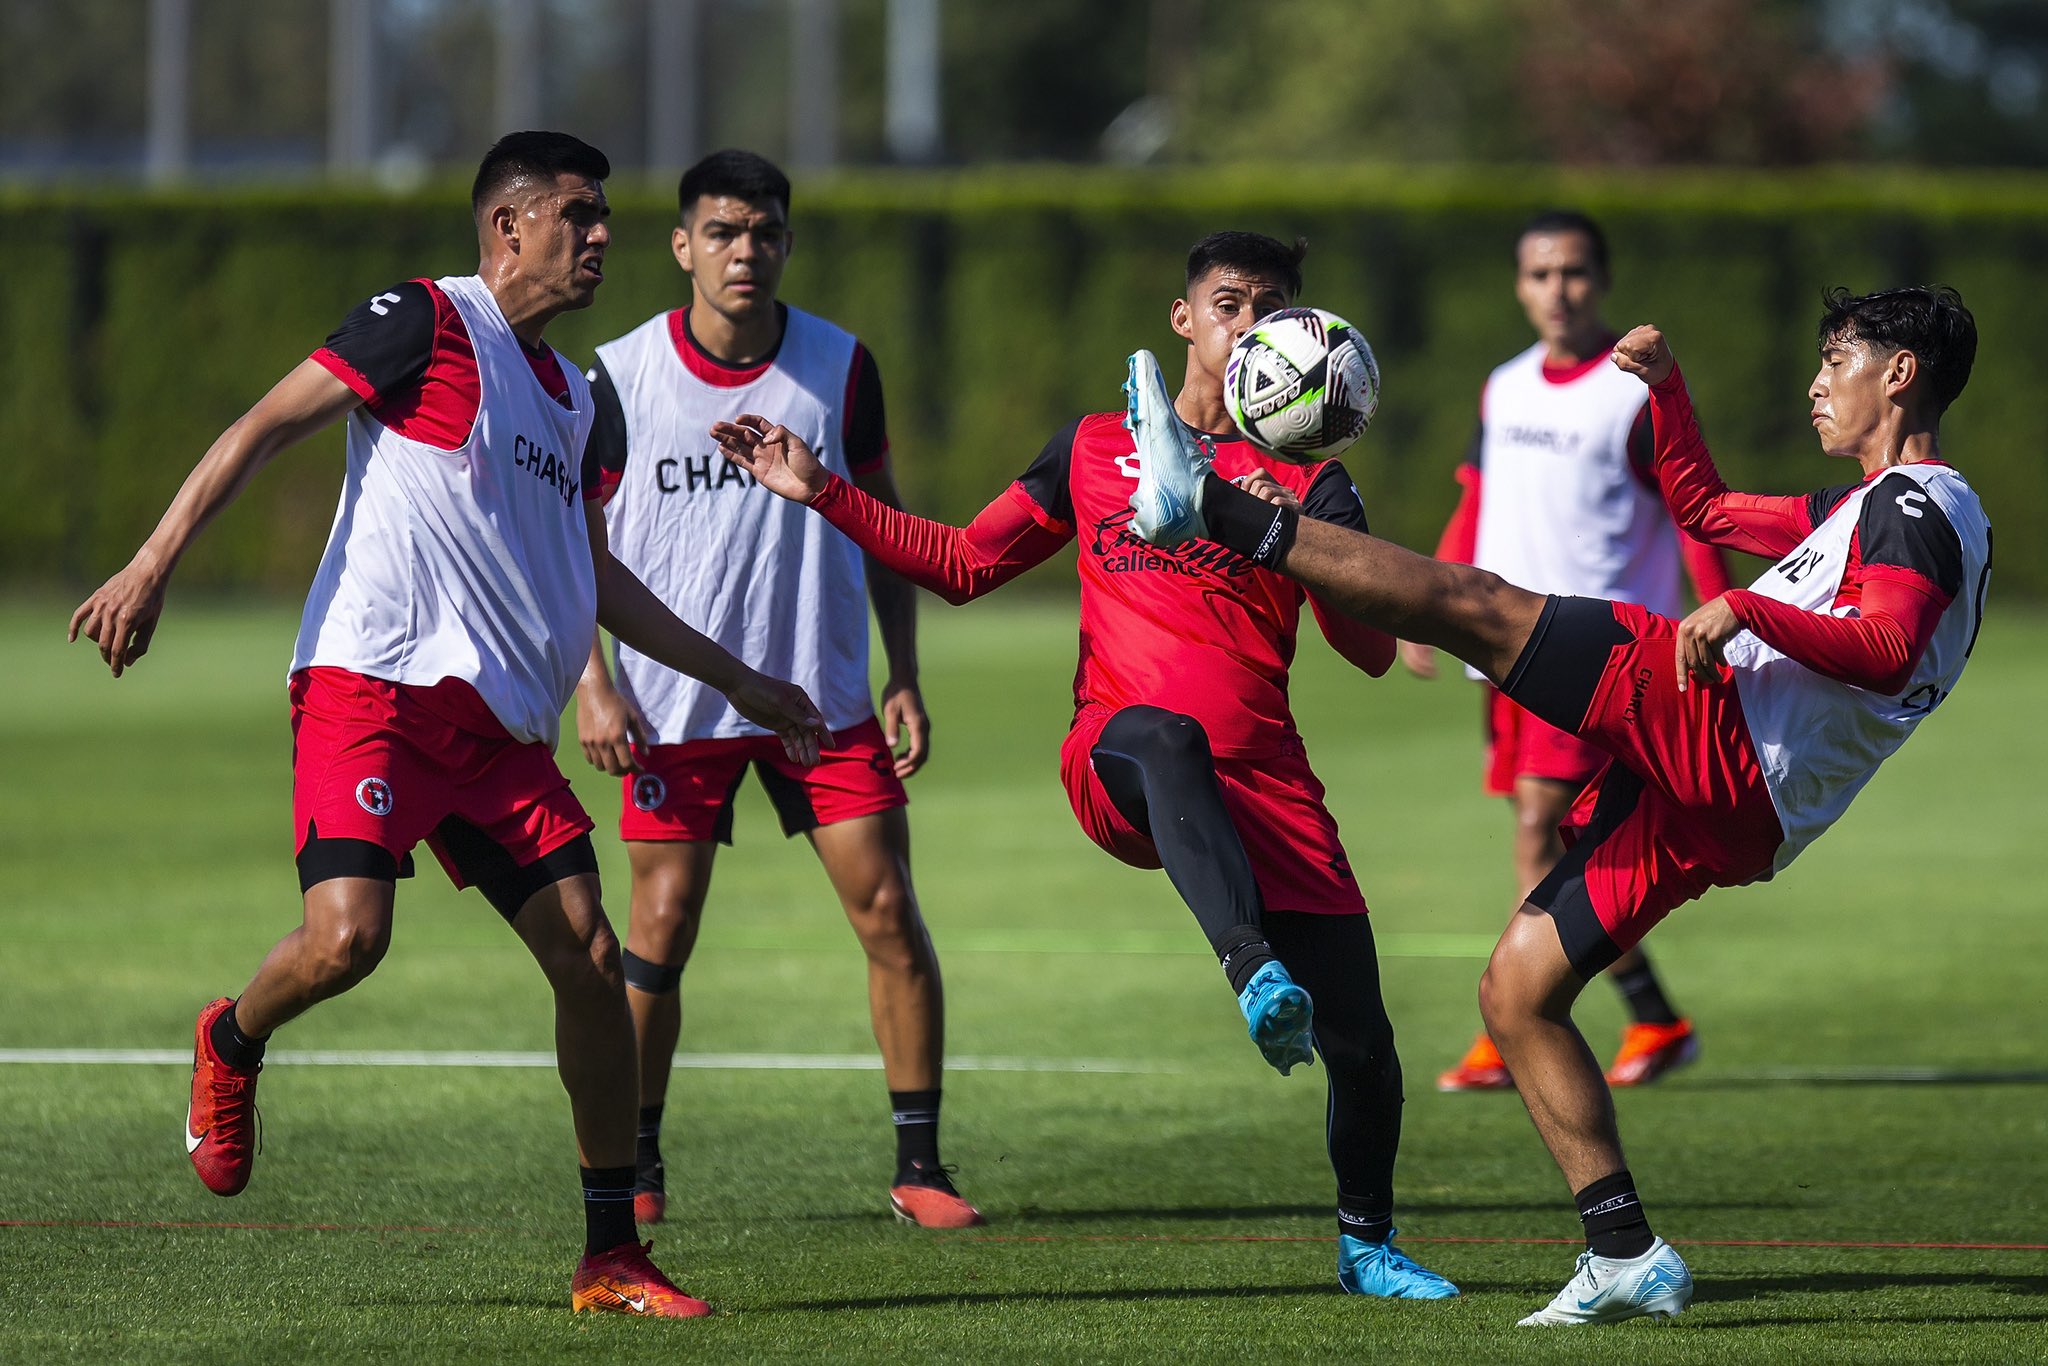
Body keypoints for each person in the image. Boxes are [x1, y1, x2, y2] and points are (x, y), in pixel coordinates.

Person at [68, 131, 829, 1320]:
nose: (600, 236)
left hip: (499, 738)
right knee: (347, 942)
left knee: (590, 959)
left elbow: (599, 584)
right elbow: (265, 423)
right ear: (505, 227)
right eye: (577, 213)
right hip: (369, 691)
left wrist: (742, 679)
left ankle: (610, 1255)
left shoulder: (579, 397)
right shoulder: (427, 321)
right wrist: (153, 561)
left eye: (603, 216)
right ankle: (233, 1034)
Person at [1123, 285, 1988, 1325]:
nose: (1815, 381)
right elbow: (1705, 510)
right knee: (1515, 990)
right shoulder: (1863, 506)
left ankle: (1208, 506)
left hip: (1721, 734)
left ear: (1897, 375)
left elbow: (1889, 650)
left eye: (1835, 360)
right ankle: (1621, 1248)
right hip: (1738, 803)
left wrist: (1744, 604)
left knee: (1474, 605)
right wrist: (1666, 394)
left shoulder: (1920, 504)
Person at [711, 231, 1459, 1299]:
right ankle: (1247, 965)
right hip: (1118, 761)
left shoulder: (1308, 484)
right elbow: (967, 563)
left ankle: (1366, 1244)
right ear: (1182, 318)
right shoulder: (1095, 447)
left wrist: (1295, 538)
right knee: (1165, 734)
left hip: (1266, 785)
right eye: (1229, 303)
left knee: (1365, 1043)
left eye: (1273, 309)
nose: (1250, 326)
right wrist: (823, 489)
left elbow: (1372, 653)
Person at [575, 149, 977, 1231]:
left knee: (888, 908)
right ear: (681, 246)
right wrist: (592, 682)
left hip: (822, 701)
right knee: (659, 924)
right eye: (720, 232)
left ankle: (921, 1168)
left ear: (787, 244)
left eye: (761, 233)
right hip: (672, 708)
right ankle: (638, 1159)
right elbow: (567, 542)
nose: (742, 251)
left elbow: (886, 526)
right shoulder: (617, 375)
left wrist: (904, 673)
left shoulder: (839, 366)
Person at [1411, 210, 1732, 1093]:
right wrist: (1423, 602)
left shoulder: (1632, 391)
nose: (1559, 290)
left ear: (1603, 280)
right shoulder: (1505, 386)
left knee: (1537, 830)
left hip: (1597, 649)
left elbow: (1692, 509)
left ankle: (1517, 1017)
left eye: (1575, 273)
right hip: (1504, 651)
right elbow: (1478, 501)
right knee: (1547, 841)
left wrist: (1723, 609)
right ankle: (1650, 1016)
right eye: (1541, 274)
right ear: (1520, 286)